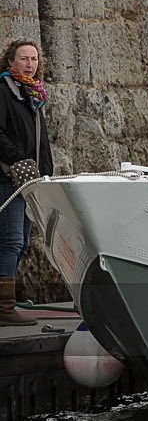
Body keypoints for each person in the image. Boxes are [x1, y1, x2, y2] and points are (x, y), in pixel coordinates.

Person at [0, 38, 53, 326]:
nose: (30, 64)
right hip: (8, 178)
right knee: (11, 240)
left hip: (31, 181)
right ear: (10, 62)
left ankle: (4, 300)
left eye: (33, 59)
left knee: (20, 245)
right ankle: (5, 308)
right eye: (23, 59)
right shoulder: (4, 91)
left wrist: (45, 172)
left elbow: (40, 141)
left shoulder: (32, 94)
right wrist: (19, 160)